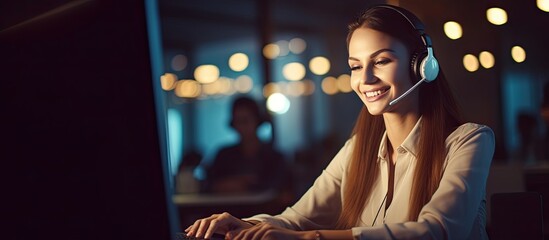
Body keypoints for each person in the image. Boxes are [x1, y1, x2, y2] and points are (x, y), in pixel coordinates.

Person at [185, 4, 495, 239]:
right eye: (356, 66)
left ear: (422, 65)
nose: (366, 79)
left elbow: (437, 230)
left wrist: (311, 238)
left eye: (382, 61)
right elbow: (298, 219)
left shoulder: (469, 140)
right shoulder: (358, 149)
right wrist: (247, 225)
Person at [206, 96, 287, 194]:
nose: (241, 127)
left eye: (245, 121)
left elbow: (276, 188)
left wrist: (244, 184)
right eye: (238, 121)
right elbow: (209, 184)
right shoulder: (224, 155)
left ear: (257, 121)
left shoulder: (274, 157)